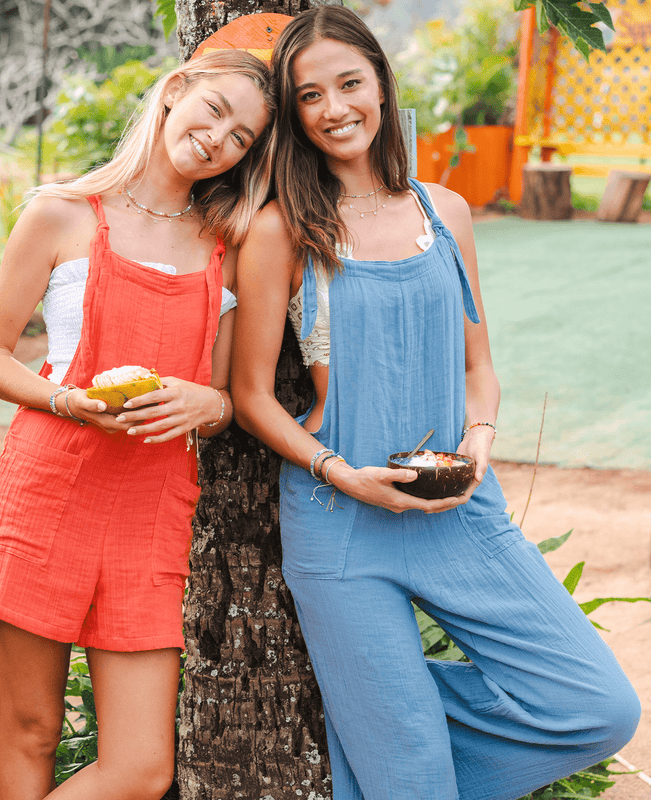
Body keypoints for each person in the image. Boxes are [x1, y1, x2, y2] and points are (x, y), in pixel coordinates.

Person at [231, 7, 640, 800]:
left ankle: (381, 727)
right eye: (310, 96)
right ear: (294, 112)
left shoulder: (444, 213)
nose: (334, 108)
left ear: (382, 83)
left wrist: (480, 439)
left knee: (598, 708)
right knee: (408, 777)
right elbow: (250, 395)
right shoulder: (282, 230)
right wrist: (340, 473)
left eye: (350, 83)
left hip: (459, 507)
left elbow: (478, 366)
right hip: (341, 520)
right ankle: (392, 744)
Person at [0, 49, 274, 800]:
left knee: (141, 767)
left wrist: (213, 405)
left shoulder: (225, 244)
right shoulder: (61, 213)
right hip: (46, 493)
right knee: (30, 732)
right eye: (215, 110)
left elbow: (224, 395)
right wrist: (65, 399)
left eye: (242, 138)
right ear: (174, 94)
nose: (219, 139)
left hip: (151, 510)